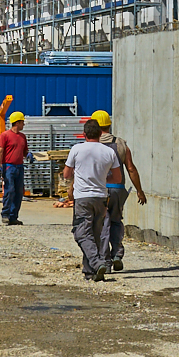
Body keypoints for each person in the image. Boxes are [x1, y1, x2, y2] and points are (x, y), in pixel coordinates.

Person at [87, 110, 146, 272]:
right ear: (109, 124)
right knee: (116, 221)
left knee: (102, 224)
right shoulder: (121, 144)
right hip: (118, 189)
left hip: (100, 190)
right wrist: (140, 190)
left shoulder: (92, 145)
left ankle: (105, 260)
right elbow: (131, 168)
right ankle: (117, 254)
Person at [60, 119, 118, 280]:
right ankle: (91, 272)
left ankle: (97, 263)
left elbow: (66, 174)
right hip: (101, 197)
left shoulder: (77, 149)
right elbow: (117, 177)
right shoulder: (109, 152)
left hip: (82, 198)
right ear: (100, 133)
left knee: (81, 234)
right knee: (95, 234)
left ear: (84, 134)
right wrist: (101, 177)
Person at [0, 97, 27, 226]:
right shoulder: (5, 135)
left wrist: (28, 154)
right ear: (17, 122)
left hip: (19, 167)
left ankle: (14, 216)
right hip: (9, 167)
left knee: (19, 192)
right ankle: (6, 214)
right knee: (10, 190)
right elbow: (0, 151)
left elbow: (24, 151)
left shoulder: (22, 137)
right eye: (22, 122)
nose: (23, 124)